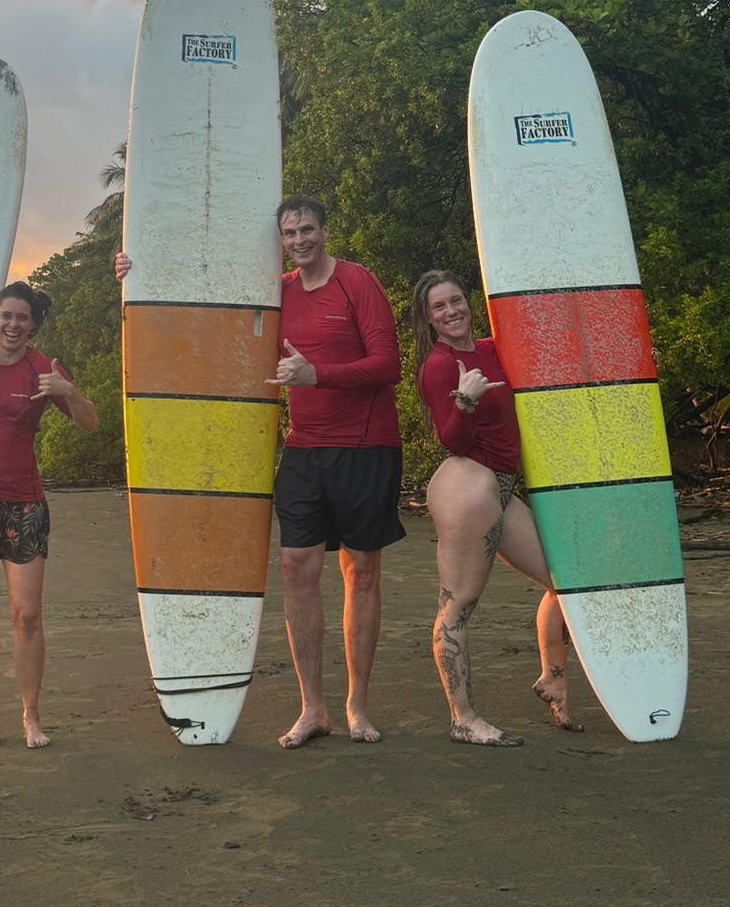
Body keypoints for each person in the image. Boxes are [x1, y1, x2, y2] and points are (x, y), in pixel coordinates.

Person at [117, 195, 402, 750]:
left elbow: (387, 364)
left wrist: (318, 375)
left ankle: (357, 706)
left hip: (365, 448)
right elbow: (202, 312)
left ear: (325, 230)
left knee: (361, 573)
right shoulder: (276, 292)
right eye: (289, 233)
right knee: (296, 568)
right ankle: (312, 708)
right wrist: (137, 272)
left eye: (307, 230)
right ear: (280, 239)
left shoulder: (356, 283)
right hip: (302, 450)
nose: (299, 240)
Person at [412, 269, 577, 745]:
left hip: (503, 487)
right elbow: (452, 440)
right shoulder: (440, 366)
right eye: (439, 307)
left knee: (562, 582)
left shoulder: (489, 349)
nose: (452, 311)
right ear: (430, 320)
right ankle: (463, 718)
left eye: (456, 300)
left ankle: (552, 679)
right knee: (457, 605)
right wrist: (463, 404)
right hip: (469, 486)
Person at [0, 282, 97, 748]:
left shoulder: (43, 369)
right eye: (6, 316)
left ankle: (31, 716)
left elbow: (90, 423)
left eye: (22, 318)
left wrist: (68, 390)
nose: (13, 325)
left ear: (33, 324)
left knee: (26, 615)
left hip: (24, 505)